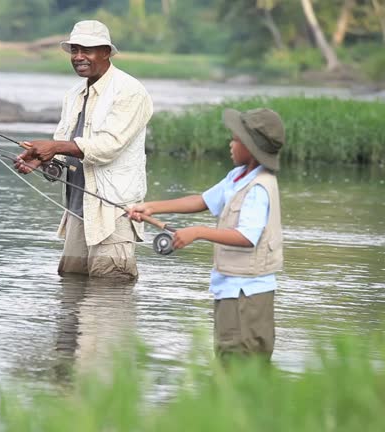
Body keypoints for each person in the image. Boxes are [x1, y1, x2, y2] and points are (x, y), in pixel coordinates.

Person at [128, 108, 285, 360]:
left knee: (241, 363)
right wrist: (151, 207)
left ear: (250, 147)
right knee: (226, 358)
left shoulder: (259, 188)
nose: (230, 144)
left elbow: (247, 237)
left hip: (248, 296)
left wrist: (199, 232)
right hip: (231, 289)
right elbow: (202, 201)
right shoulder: (238, 176)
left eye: (235, 139)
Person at [14, 20, 153, 280]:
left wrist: (54, 147)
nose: (78, 57)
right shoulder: (74, 94)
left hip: (113, 212)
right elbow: (65, 149)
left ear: (106, 52)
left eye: (86, 50)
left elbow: (107, 147)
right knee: (71, 288)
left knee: (110, 294)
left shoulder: (130, 92)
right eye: (75, 50)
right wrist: (43, 161)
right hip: (78, 211)